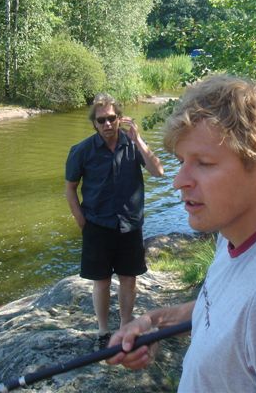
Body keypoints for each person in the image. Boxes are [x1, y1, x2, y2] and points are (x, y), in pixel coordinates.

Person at [106, 75, 256, 391]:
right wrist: (155, 323)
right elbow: (227, 312)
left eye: (204, 163)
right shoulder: (240, 228)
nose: (179, 181)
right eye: (182, 161)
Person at [65, 93, 164, 349]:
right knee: (101, 280)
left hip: (129, 223)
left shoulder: (132, 144)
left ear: (120, 118)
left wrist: (138, 139)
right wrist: (82, 222)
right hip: (97, 224)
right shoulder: (82, 151)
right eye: (101, 120)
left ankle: (125, 326)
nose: (107, 124)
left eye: (111, 118)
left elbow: (158, 171)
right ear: (94, 123)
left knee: (129, 278)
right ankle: (103, 331)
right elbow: (70, 189)